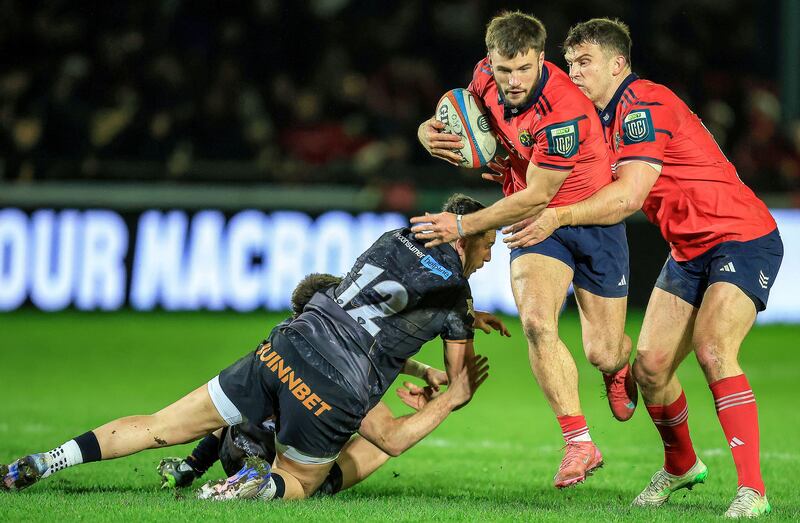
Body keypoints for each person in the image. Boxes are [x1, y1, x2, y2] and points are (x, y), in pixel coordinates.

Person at [1, 193, 498, 502]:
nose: (490, 255)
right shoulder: (456, 294)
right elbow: (446, 392)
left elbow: (382, 302)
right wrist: (452, 393)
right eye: (488, 243)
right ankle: (256, 485)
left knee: (159, 425)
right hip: (338, 386)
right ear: (466, 237)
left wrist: (448, 330)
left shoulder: (396, 235)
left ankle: (48, 459)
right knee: (303, 483)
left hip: (287, 346)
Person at [505, 18, 782, 518]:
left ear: (618, 64)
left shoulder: (642, 106)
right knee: (650, 369)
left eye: (585, 62)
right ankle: (681, 465)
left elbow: (629, 196)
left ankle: (753, 491)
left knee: (714, 349)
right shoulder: (595, 119)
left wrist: (558, 216)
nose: (574, 72)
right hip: (688, 251)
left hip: (741, 237)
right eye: (570, 63)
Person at [413, 10, 636, 489]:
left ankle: (619, 368)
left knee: (603, 352)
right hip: (538, 226)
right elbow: (455, 114)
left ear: (540, 58)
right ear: (490, 61)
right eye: (503, 69)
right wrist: (426, 132)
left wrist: (462, 225)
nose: (513, 81)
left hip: (590, 217)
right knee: (536, 322)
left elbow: (539, 194)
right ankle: (579, 442)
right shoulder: (483, 78)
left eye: (523, 69)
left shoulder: (564, 109)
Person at [157, 274, 505, 495]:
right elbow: (388, 432)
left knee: (238, 402)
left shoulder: (280, 343)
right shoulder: (336, 365)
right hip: (281, 466)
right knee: (370, 437)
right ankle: (274, 487)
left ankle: (198, 470)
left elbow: (225, 416)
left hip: (238, 450)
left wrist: (193, 464)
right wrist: (438, 401)